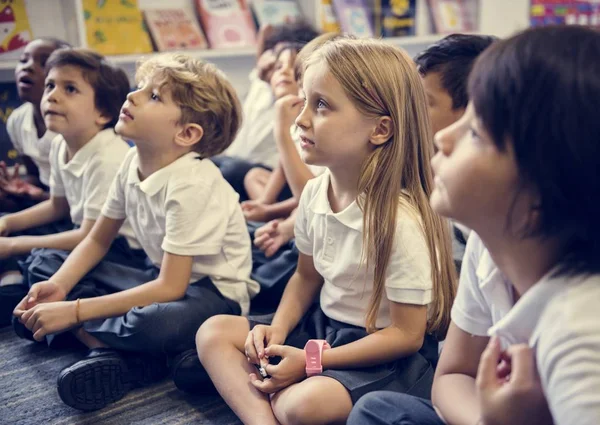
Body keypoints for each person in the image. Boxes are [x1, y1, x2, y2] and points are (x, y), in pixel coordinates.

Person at [195, 37, 457, 425]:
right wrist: (277, 329)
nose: (300, 119)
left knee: (305, 406)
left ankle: (270, 398)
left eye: (320, 105)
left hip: (380, 352)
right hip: (324, 328)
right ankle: (265, 418)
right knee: (213, 332)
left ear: (380, 128)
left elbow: (406, 336)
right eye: (304, 101)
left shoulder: (400, 221)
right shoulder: (317, 192)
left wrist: (312, 361)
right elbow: (305, 277)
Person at [347, 25, 600, 425]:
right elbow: (454, 374)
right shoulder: (492, 243)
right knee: (379, 410)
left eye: (477, 132)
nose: (445, 138)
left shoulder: (582, 335)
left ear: (543, 191)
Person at [13, 53, 259, 411]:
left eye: (154, 96)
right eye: (141, 87)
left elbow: (171, 288)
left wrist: (76, 310)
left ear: (187, 133)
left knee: (153, 325)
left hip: (214, 295)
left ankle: (88, 338)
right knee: (47, 263)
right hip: (157, 274)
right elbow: (97, 238)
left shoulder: (192, 183)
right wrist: (61, 287)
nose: (133, 96)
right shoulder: (132, 161)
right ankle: (122, 352)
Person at [0, 48, 132, 326]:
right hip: (82, 233)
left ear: (103, 112)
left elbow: (91, 236)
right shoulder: (61, 142)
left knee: (43, 261)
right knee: (9, 224)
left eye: (70, 89)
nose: (52, 96)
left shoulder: (107, 157)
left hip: (118, 248)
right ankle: (13, 282)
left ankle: (84, 326)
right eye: (50, 85)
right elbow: (58, 206)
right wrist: (8, 224)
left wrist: (12, 245)